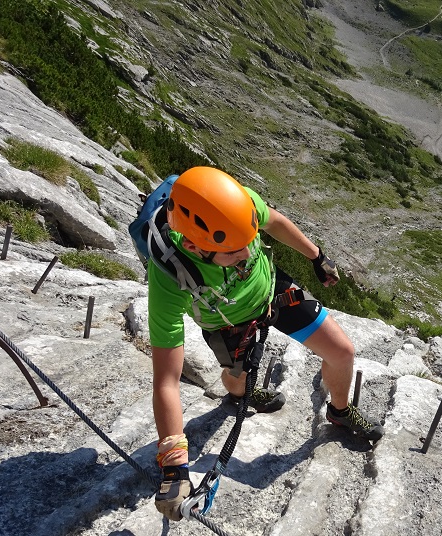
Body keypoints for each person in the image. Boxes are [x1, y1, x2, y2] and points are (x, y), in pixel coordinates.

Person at [149, 166, 384, 521]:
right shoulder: (168, 277)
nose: (246, 255)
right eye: (232, 253)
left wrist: (316, 256)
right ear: (195, 245)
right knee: (238, 382)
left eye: (248, 243)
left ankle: (338, 411)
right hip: (227, 322)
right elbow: (166, 379)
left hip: (274, 292)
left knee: (342, 352)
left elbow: (273, 221)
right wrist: (174, 466)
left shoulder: (235, 210)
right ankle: (240, 394)